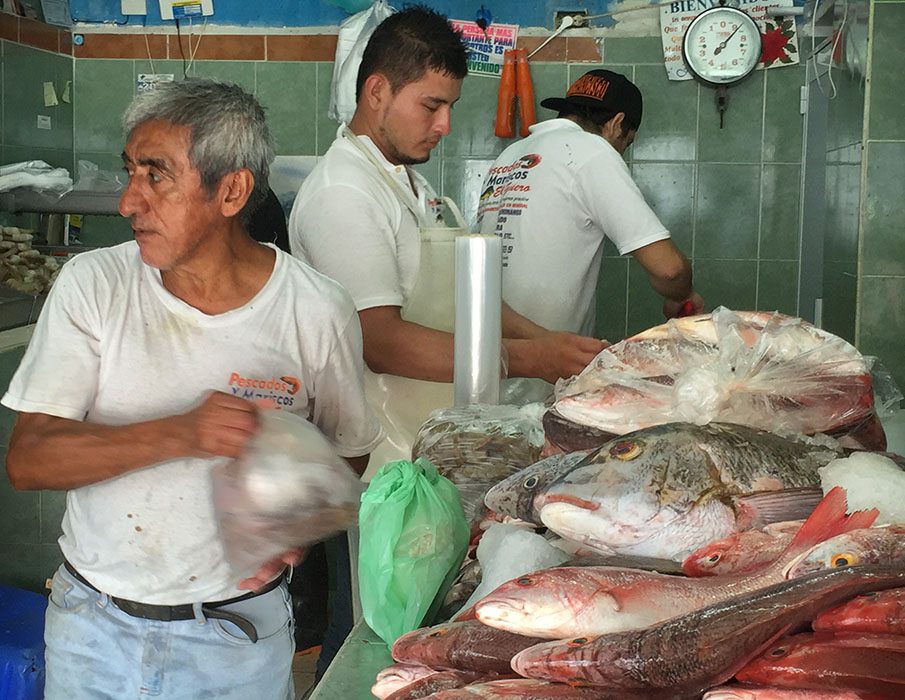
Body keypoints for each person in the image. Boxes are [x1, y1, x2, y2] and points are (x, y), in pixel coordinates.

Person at [2, 79, 382, 700]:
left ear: (230, 190)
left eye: (157, 176)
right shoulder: (93, 285)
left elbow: (349, 453)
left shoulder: (315, 308)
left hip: (238, 640)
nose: (128, 201)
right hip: (92, 630)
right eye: (131, 171)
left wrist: (294, 520)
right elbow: (29, 458)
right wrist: (182, 432)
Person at [289, 5, 606, 459]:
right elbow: (380, 342)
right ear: (377, 91)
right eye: (431, 106)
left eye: (450, 107)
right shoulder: (344, 192)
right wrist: (531, 359)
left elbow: (473, 302)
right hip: (386, 464)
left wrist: (553, 344)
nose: (445, 126)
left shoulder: (409, 184)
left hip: (438, 444)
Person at [478, 69, 704, 337]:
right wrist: (683, 295)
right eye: (626, 142)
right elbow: (670, 270)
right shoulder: (592, 150)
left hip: (487, 352)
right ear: (616, 123)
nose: (621, 151)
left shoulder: (510, 154)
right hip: (544, 364)